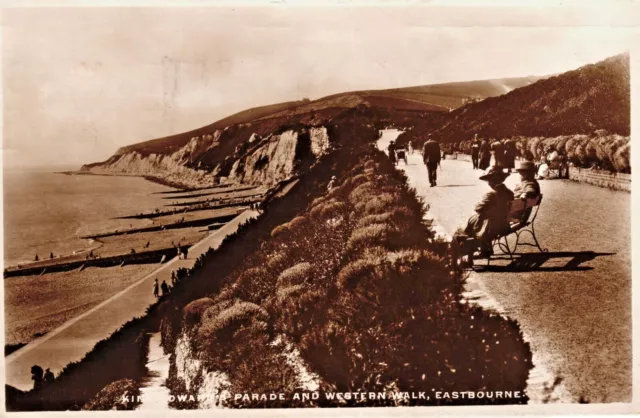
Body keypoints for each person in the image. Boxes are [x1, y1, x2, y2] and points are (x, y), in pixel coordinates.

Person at [464, 166, 514, 257]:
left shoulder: (491, 194)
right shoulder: (509, 192)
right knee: (478, 218)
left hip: (493, 227)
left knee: (475, 219)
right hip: (504, 225)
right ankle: (485, 248)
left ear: (493, 180)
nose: (488, 183)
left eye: (489, 180)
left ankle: (481, 250)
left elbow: (478, 209)